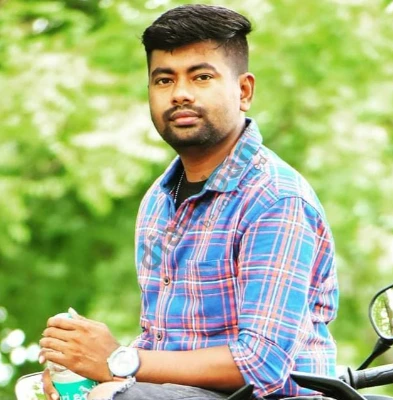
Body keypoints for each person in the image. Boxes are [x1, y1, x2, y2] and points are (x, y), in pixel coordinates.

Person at [38, 4, 339, 400]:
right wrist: (85, 369)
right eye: (164, 80)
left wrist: (116, 362)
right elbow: (160, 346)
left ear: (244, 91)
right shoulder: (159, 200)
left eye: (201, 77)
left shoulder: (275, 198)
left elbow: (261, 364)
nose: (180, 93)